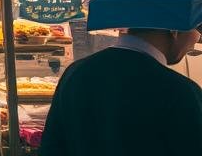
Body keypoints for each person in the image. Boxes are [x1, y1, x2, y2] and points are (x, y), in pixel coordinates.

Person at [40, 23, 202, 156]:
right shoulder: (180, 91)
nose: (197, 38)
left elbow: (52, 147)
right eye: (197, 28)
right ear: (174, 29)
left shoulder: (75, 72)